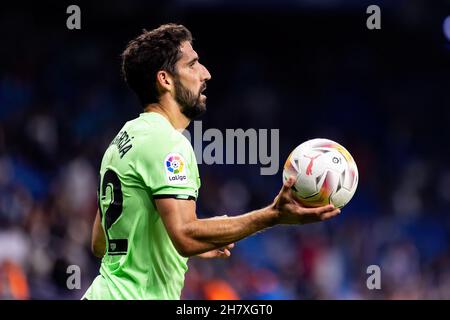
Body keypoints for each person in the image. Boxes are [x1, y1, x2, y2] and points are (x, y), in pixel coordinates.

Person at [82, 23, 341, 300]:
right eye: (192, 64)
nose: (206, 73)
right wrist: (272, 216)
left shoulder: (122, 140)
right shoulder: (167, 143)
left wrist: (179, 243)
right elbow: (184, 234)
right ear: (165, 80)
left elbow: (100, 243)